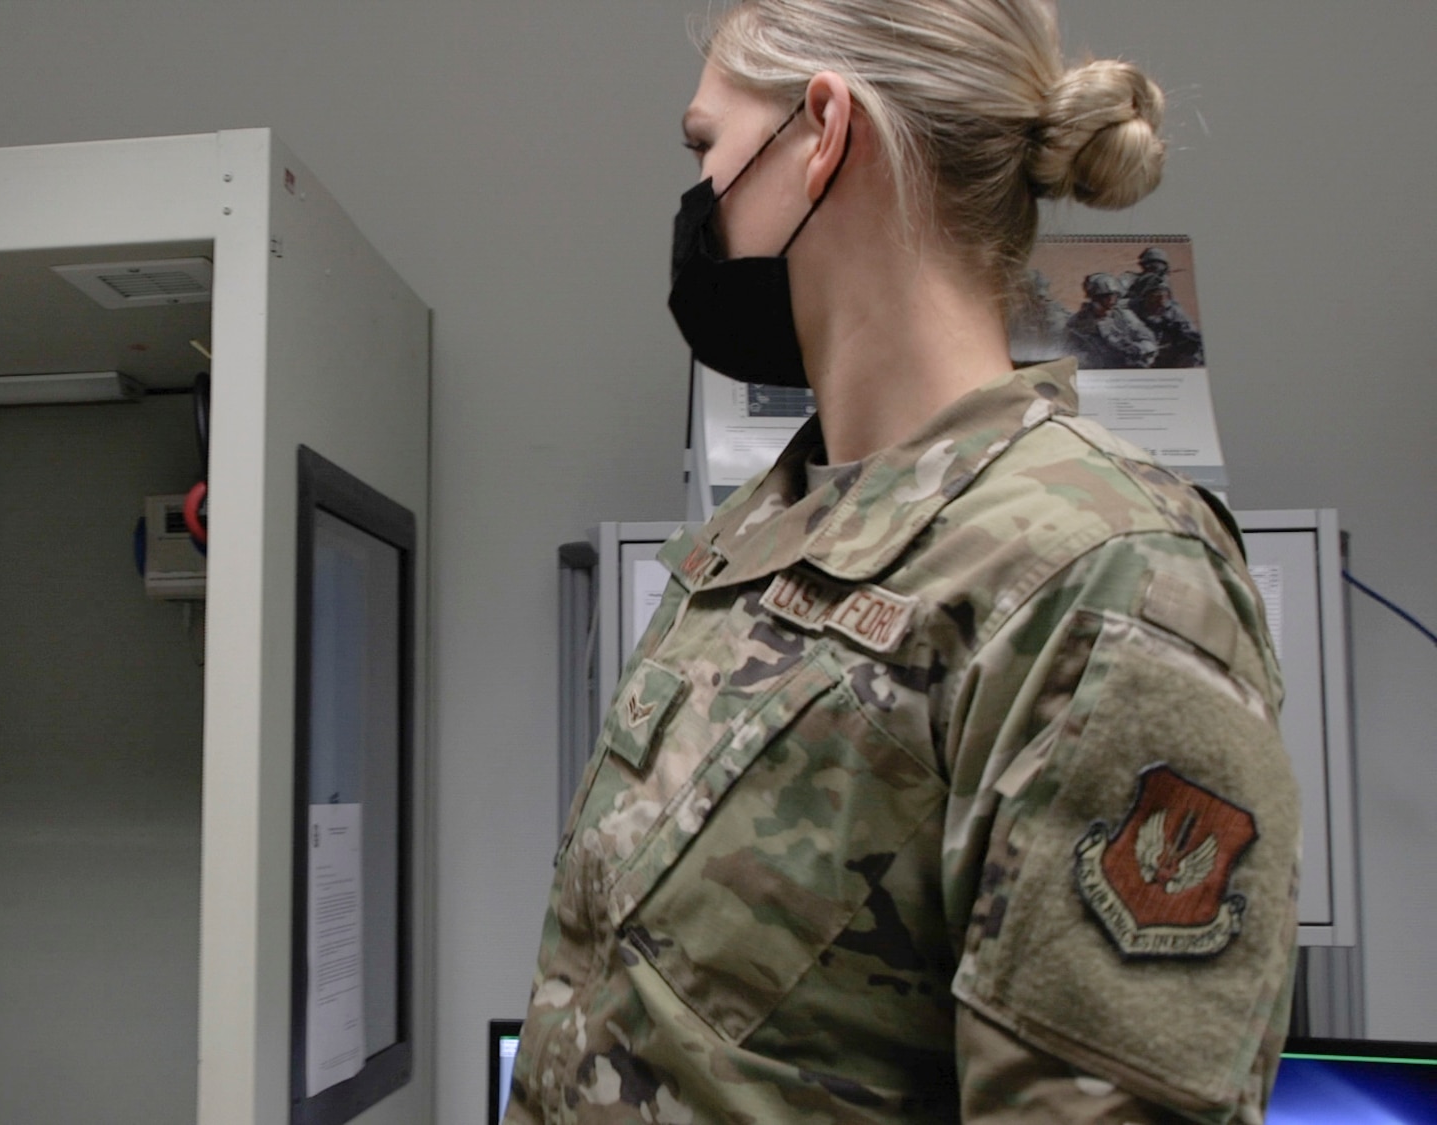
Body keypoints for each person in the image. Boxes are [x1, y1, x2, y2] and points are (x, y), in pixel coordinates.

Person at [507, 2, 1299, 1123]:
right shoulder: (751, 536)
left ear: (821, 131)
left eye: (706, 145)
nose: (698, 195)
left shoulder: (1103, 573)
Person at [1066, 271, 1160, 369]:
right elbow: (1069, 351)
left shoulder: (1124, 316)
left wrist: (1137, 349)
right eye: (1106, 298)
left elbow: (1149, 341)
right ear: (1095, 299)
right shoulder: (1077, 322)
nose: (1111, 302)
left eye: (1114, 297)